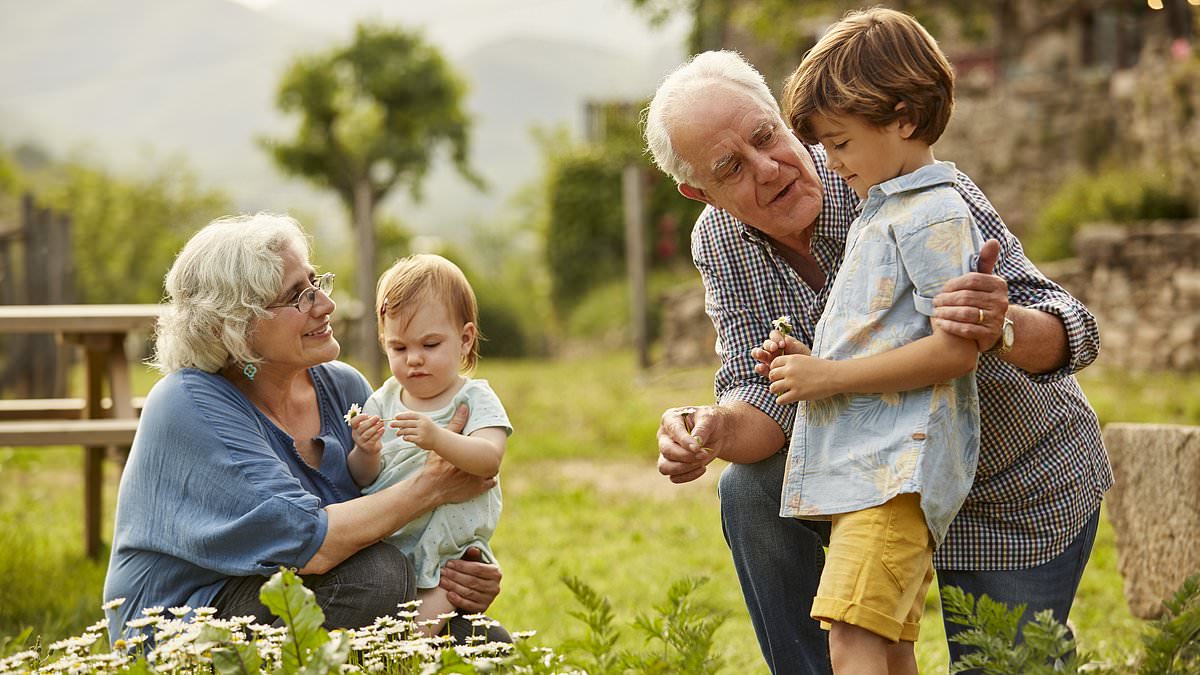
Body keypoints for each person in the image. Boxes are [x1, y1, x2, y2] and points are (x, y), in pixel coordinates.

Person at [644, 47, 1111, 674]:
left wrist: (999, 324)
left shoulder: (896, 173)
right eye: (731, 167)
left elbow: (1074, 330)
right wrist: (714, 428)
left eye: (765, 136)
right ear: (699, 192)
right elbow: (762, 396)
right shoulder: (721, 239)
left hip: (1005, 484)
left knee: (1003, 665)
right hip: (873, 484)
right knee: (750, 490)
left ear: (781, 116)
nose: (768, 167)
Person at [103, 213, 508, 645]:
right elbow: (310, 544)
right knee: (377, 576)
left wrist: (460, 569)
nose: (325, 304)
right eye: (298, 296)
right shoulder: (188, 403)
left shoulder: (344, 387)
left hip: (312, 591)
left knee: (486, 643)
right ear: (236, 325)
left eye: (316, 283)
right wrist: (433, 486)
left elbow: (384, 508)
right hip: (188, 622)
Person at [764, 9, 984, 674]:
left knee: (852, 635)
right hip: (874, 470)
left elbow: (956, 350)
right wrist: (810, 363)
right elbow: (885, 336)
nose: (831, 164)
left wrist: (828, 379)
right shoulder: (886, 208)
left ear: (903, 119)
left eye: (840, 143)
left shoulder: (933, 214)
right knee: (884, 641)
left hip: (896, 472)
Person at [347, 253, 510, 637]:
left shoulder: (474, 398)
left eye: (430, 344)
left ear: (465, 340)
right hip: (394, 539)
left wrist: (438, 438)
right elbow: (362, 478)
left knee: (412, 635)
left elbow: (489, 459)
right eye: (399, 348)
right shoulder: (382, 400)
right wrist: (365, 452)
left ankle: (404, 654)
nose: (414, 360)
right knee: (386, 620)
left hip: (450, 550)